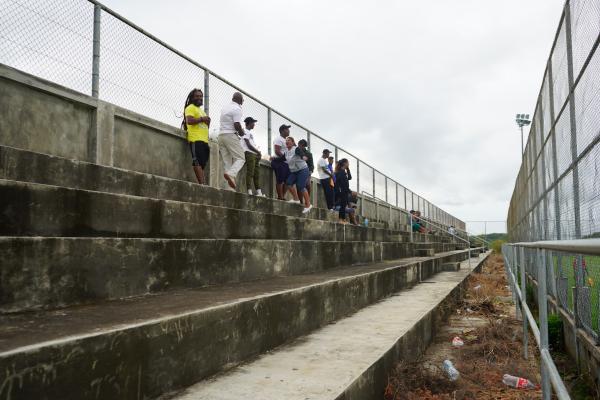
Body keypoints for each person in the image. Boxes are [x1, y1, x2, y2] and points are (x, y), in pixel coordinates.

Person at [218, 92, 246, 189]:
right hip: (230, 135)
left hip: (221, 135)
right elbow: (237, 125)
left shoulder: (225, 108)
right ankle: (231, 174)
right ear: (240, 100)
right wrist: (242, 133)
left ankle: (228, 188)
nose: (242, 102)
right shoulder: (237, 108)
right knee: (241, 158)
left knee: (227, 163)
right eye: (242, 100)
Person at [182, 88, 210, 185]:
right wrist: (202, 119)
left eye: (201, 96)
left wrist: (207, 121)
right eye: (197, 96)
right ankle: (202, 185)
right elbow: (189, 121)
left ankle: (203, 184)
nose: (200, 98)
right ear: (192, 97)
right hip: (195, 139)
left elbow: (206, 125)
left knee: (202, 163)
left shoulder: (201, 111)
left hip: (205, 141)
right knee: (197, 161)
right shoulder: (190, 108)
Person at [284, 136, 312, 214]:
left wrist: (303, 156)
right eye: (286, 140)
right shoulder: (286, 151)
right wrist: (273, 158)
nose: (287, 141)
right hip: (294, 171)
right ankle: (296, 199)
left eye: (289, 140)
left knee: (300, 186)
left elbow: (300, 152)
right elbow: (283, 158)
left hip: (303, 170)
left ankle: (308, 204)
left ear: (293, 142)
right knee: (288, 183)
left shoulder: (295, 149)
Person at [240, 117, 264, 196]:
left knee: (256, 173)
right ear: (249, 123)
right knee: (250, 172)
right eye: (253, 123)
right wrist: (257, 151)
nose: (254, 124)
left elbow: (251, 144)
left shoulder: (249, 133)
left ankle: (259, 192)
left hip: (254, 154)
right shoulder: (245, 131)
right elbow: (248, 144)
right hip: (249, 153)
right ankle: (249, 190)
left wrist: (258, 153)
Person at [270, 125, 291, 200]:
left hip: (286, 163)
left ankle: (282, 195)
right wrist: (285, 158)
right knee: (280, 180)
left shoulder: (286, 140)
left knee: (288, 181)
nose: (288, 131)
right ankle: (280, 196)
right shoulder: (278, 139)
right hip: (280, 162)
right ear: (282, 131)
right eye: (287, 129)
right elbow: (277, 150)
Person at [334, 158, 352, 224]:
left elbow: (350, 178)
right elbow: (340, 183)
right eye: (348, 163)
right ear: (344, 163)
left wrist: (348, 169)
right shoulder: (340, 172)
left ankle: (343, 219)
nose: (348, 164)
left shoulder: (344, 171)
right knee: (342, 205)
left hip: (344, 191)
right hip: (341, 191)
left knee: (344, 205)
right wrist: (347, 191)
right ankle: (340, 219)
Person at [297, 139, 314, 205]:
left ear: (302, 145)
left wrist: (310, 172)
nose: (299, 146)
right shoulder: (296, 152)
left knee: (308, 185)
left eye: (300, 145)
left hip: (306, 171)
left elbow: (311, 165)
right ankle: (301, 201)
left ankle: (307, 200)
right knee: (299, 186)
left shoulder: (309, 154)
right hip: (298, 171)